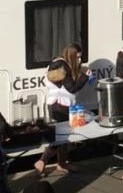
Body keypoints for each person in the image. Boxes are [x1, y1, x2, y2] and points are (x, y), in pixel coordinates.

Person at [35, 43, 93, 176]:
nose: (79, 60)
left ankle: (62, 163)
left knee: (64, 136)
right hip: (60, 105)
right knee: (61, 136)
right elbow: (71, 88)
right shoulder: (61, 66)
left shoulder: (56, 63)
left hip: (58, 104)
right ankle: (41, 162)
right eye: (77, 57)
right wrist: (85, 77)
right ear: (71, 55)